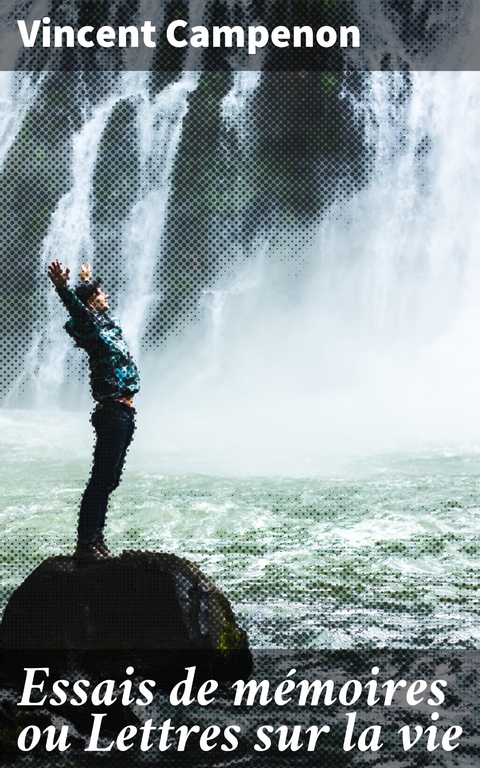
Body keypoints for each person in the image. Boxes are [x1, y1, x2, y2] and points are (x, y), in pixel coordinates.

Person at [48, 260, 140, 560]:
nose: (107, 295)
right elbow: (79, 313)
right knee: (101, 479)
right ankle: (86, 542)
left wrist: (86, 282)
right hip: (112, 412)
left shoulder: (106, 325)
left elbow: (96, 313)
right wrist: (64, 289)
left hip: (124, 413)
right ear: (90, 303)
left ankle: (96, 539)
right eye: (101, 293)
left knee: (110, 479)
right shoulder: (90, 329)